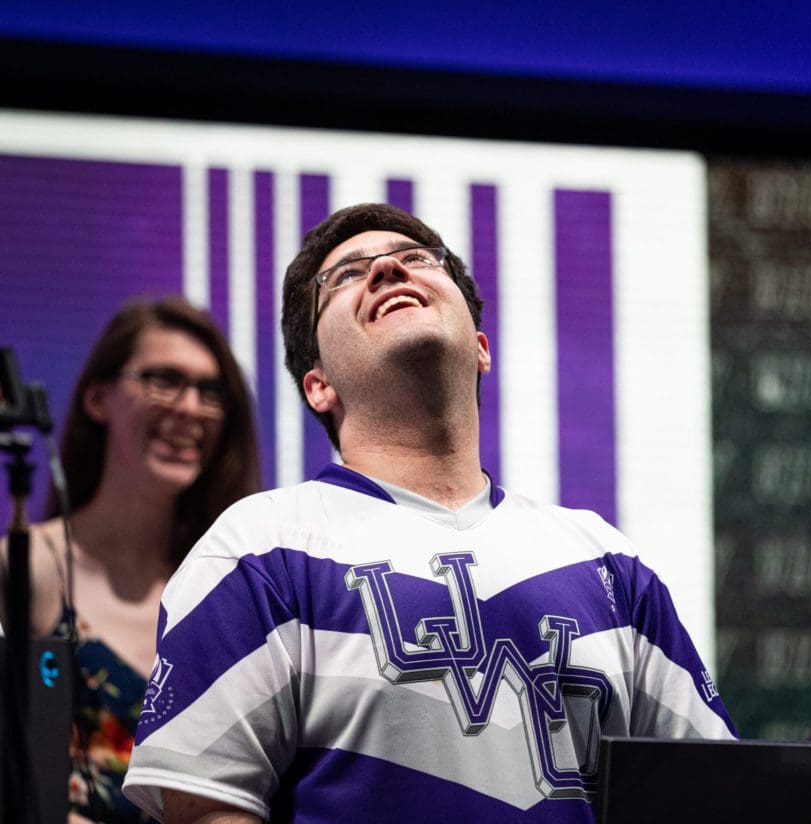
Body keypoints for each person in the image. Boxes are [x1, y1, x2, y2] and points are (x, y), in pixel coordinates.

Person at [123, 204, 736, 823]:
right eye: (346, 276)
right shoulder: (256, 552)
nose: (389, 267)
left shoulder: (608, 562)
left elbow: (713, 796)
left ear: (480, 348)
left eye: (417, 258)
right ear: (319, 385)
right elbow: (206, 810)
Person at [2, 295, 261, 823]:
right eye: (163, 380)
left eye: (210, 392)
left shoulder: (232, 588)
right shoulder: (26, 568)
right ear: (98, 398)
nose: (189, 408)